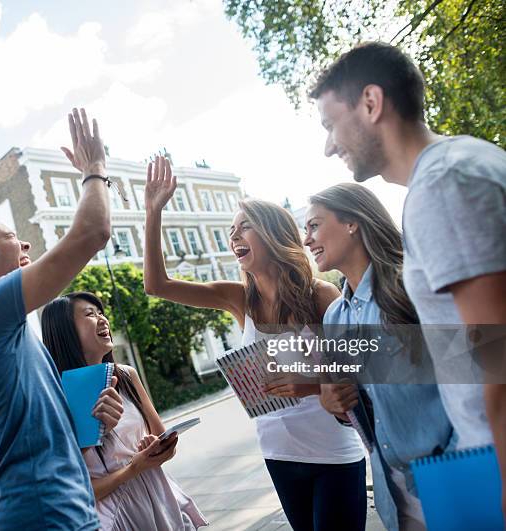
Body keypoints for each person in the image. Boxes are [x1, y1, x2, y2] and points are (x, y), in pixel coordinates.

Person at [309, 42, 506, 510]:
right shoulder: (461, 163)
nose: (330, 144)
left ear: (371, 104)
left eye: (331, 124)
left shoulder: (443, 186)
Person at [143, 156, 366, 530]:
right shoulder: (238, 299)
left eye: (244, 227)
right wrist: (153, 211)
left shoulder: (321, 296)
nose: (233, 238)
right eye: (232, 231)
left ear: (274, 234)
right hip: (278, 454)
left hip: (333, 454)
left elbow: (356, 374)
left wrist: (308, 386)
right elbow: (157, 285)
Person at [0, 108, 118, 530]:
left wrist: (94, 419)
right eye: (11, 236)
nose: (25, 240)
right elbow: (93, 233)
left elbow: (42, 438)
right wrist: (95, 169)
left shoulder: (2, 335)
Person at [304, 183, 454, 530]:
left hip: (452, 470)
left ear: (352, 222)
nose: (307, 240)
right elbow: (358, 409)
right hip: (394, 494)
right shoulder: (335, 318)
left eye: (314, 225)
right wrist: (335, 403)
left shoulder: (412, 285)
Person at [41, 291, 207, 531]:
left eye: (101, 312)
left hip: (160, 498)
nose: (102, 319)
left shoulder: (126, 375)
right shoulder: (55, 398)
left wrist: (156, 448)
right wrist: (133, 467)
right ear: (64, 331)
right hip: (115, 518)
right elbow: (76, 491)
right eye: (89, 314)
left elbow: (163, 442)